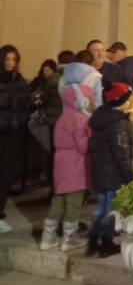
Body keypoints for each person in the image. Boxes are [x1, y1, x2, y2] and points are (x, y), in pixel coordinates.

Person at [40, 82, 93, 252]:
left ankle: (47, 238)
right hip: (75, 166)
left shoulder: (63, 117)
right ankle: (69, 239)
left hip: (60, 164)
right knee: (74, 202)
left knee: (58, 201)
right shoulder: (80, 119)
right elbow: (83, 146)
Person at [87, 82, 133, 257]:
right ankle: (106, 242)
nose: (131, 102)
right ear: (119, 101)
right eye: (128, 99)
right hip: (114, 173)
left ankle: (93, 239)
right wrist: (130, 177)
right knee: (112, 208)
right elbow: (121, 153)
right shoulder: (118, 124)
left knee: (102, 206)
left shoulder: (101, 117)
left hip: (101, 170)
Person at [0, 46, 30, 233]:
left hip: (13, 134)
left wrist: (22, 120)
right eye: (6, 59)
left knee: (5, 176)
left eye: (13, 59)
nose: (10, 63)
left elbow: (25, 107)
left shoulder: (20, 82)